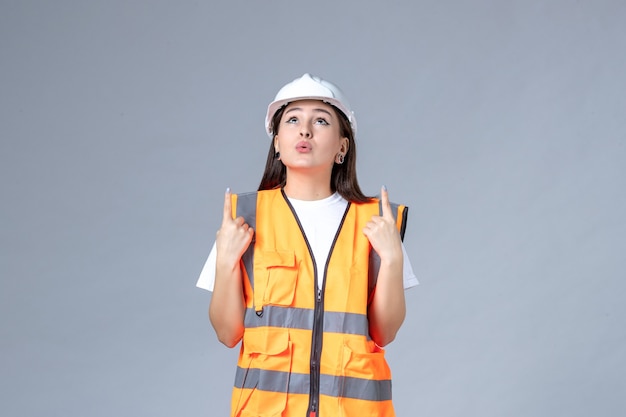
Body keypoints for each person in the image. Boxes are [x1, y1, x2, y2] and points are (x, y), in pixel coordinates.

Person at [197, 73, 418, 417]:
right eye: (293, 119)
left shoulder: (377, 223)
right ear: (276, 142)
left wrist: (391, 259)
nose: (305, 130)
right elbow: (227, 334)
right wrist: (226, 261)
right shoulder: (243, 220)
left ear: (342, 146)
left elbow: (384, 332)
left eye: (320, 120)